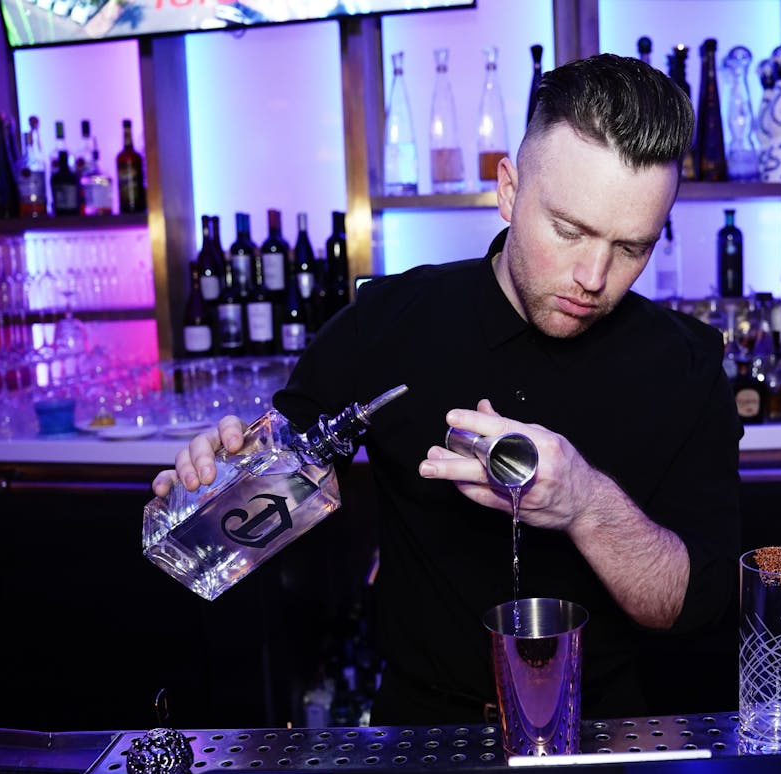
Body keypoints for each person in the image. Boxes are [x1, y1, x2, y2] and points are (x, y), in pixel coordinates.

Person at [153, 53, 743, 725]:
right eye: (569, 230)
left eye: (631, 248)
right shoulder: (386, 325)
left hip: (610, 726)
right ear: (508, 190)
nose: (594, 275)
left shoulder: (687, 366)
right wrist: (215, 482)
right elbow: (255, 511)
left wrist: (585, 502)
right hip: (422, 727)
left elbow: (687, 606)